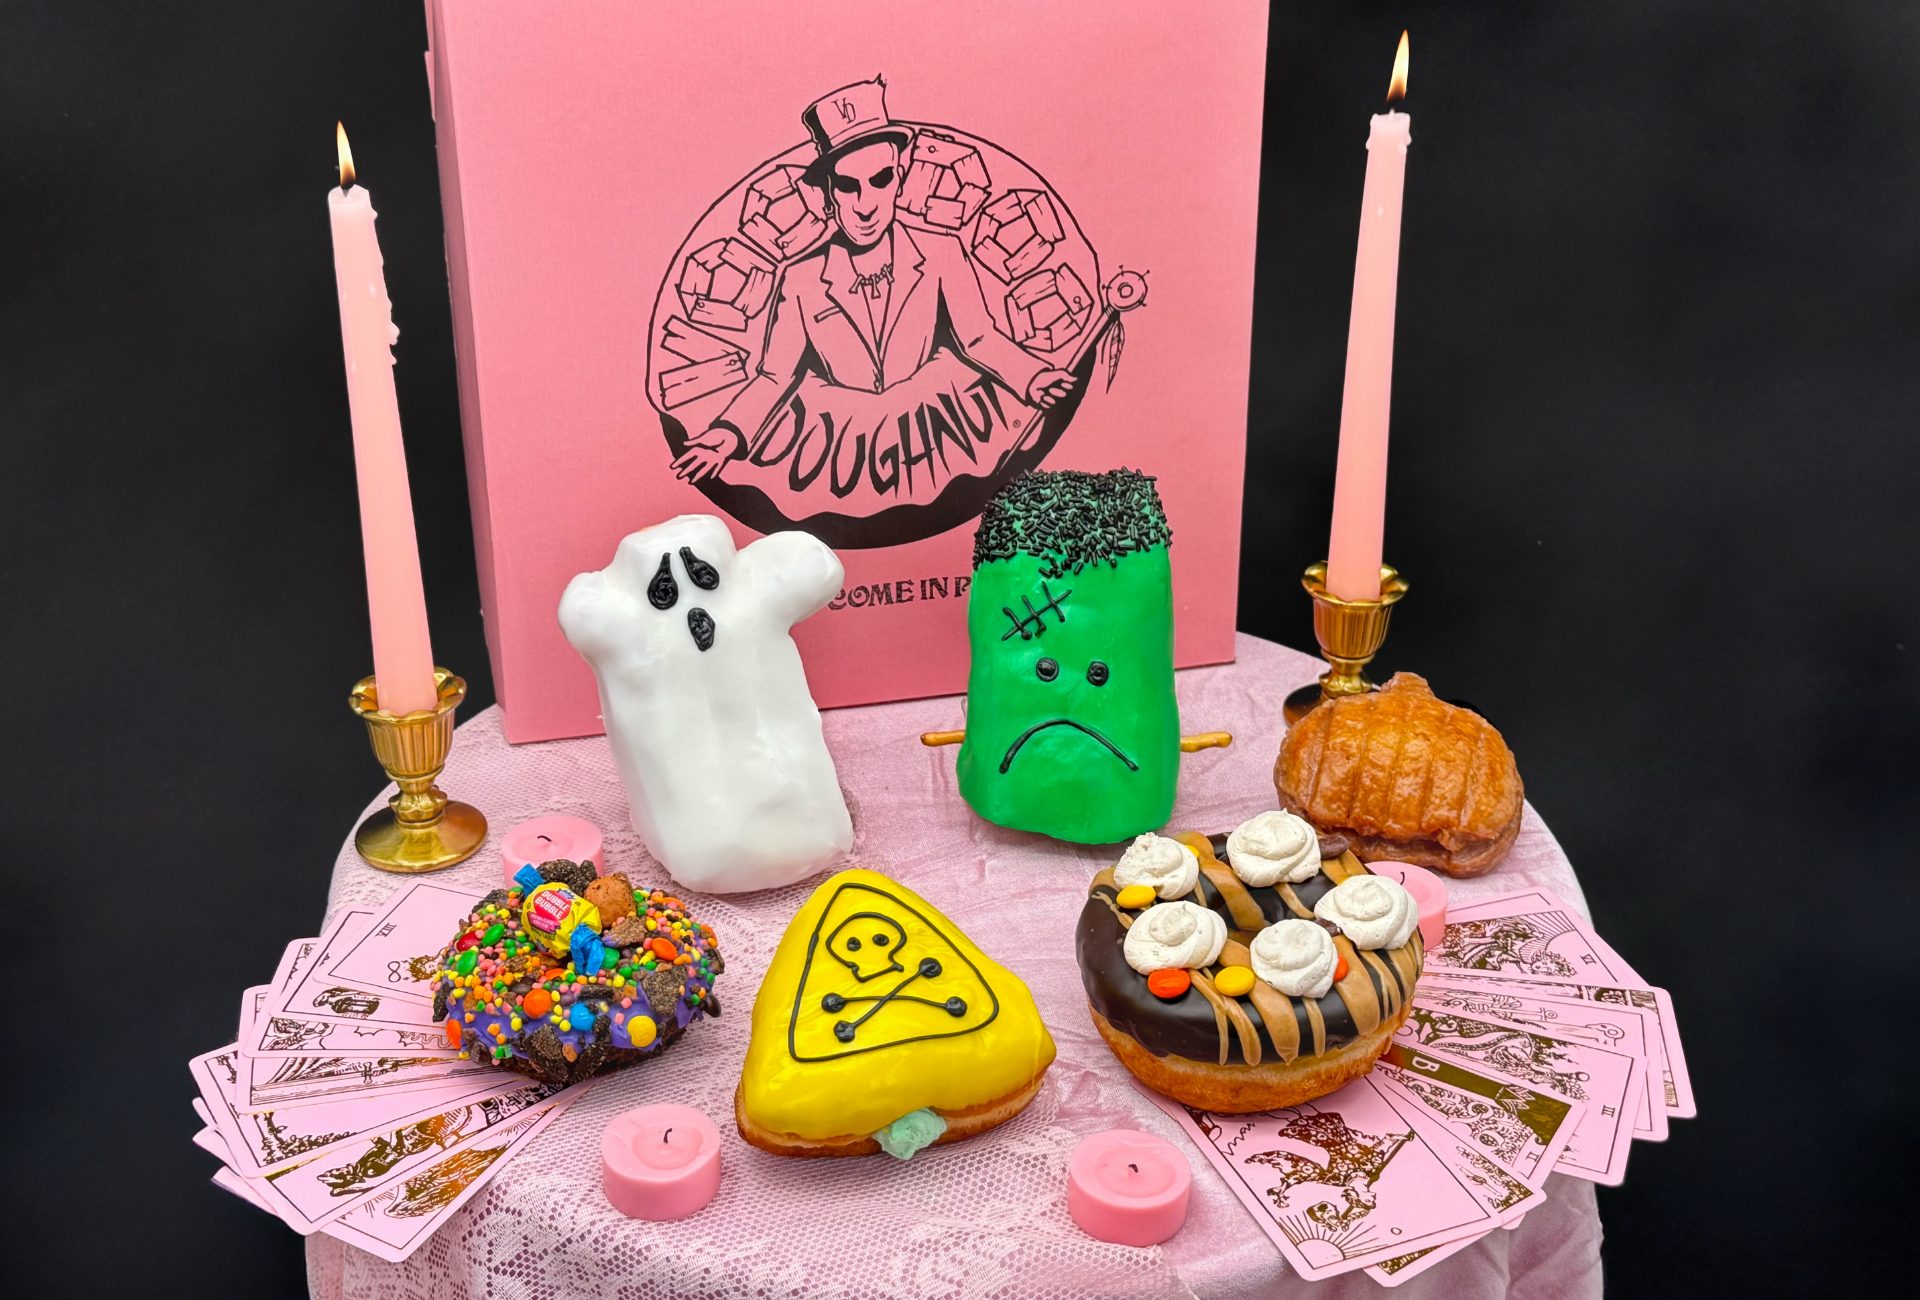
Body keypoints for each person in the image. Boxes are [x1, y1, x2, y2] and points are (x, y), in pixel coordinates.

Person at [673, 79, 1078, 483]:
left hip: (934, 427)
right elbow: (775, 375)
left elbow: (978, 338)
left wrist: (1033, 376)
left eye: (880, 180)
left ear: (900, 178)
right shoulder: (800, 279)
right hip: (843, 446)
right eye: (848, 186)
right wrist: (728, 433)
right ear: (829, 194)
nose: (865, 205)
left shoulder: (942, 252)